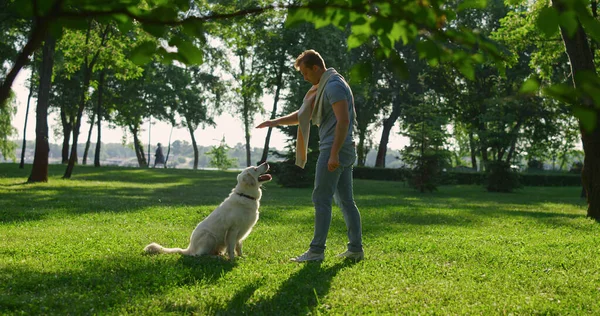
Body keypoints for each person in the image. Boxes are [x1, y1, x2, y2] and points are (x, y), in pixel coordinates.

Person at [256, 50, 363, 262]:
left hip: (335, 148)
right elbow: (302, 115)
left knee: (321, 198)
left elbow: (343, 121)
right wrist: (274, 122)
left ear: (316, 68)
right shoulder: (322, 87)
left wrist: (333, 154)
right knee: (345, 201)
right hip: (342, 148)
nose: (304, 78)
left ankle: (316, 251)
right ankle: (355, 249)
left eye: (305, 73)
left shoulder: (333, 86)